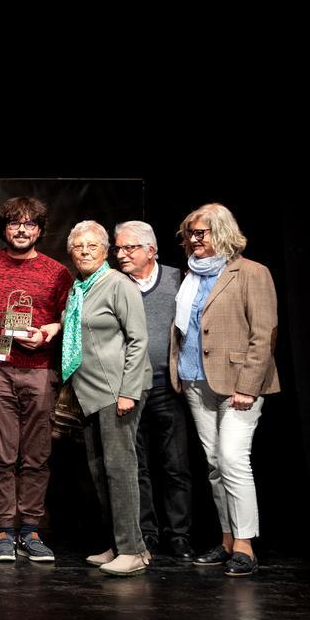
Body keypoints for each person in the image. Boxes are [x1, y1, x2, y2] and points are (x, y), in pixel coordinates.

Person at [169, 203, 279, 577]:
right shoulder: (190, 276)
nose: (195, 240)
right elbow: (184, 329)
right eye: (191, 233)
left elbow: (263, 335)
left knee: (233, 459)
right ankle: (228, 537)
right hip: (196, 380)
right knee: (215, 464)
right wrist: (178, 371)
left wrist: (248, 386)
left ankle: (246, 544)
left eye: (202, 233)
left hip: (238, 384)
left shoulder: (251, 273)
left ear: (223, 233)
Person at [0, 197, 72, 563]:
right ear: (4, 228)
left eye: (30, 224)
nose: (22, 229)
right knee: (0, 454)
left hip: (40, 369)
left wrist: (49, 330)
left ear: (40, 230)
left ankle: (30, 530)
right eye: (15, 223)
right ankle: (3, 531)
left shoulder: (56, 272)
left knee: (36, 456)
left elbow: (68, 318)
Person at [61, 221, 152, 576]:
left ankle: (132, 550)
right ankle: (121, 543)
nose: (84, 251)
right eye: (78, 246)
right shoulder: (79, 287)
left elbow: (138, 340)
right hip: (90, 393)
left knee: (121, 471)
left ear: (105, 252)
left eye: (92, 246)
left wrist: (128, 392)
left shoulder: (118, 283)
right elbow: (76, 328)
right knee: (101, 472)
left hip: (117, 393)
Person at [113, 220, 194, 561]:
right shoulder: (114, 284)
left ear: (151, 249)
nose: (121, 255)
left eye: (128, 248)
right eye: (117, 248)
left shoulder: (179, 280)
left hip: (166, 386)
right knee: (136, 467)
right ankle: (146, 533)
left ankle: (179, 536)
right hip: (128, 389)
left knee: (175, 466)